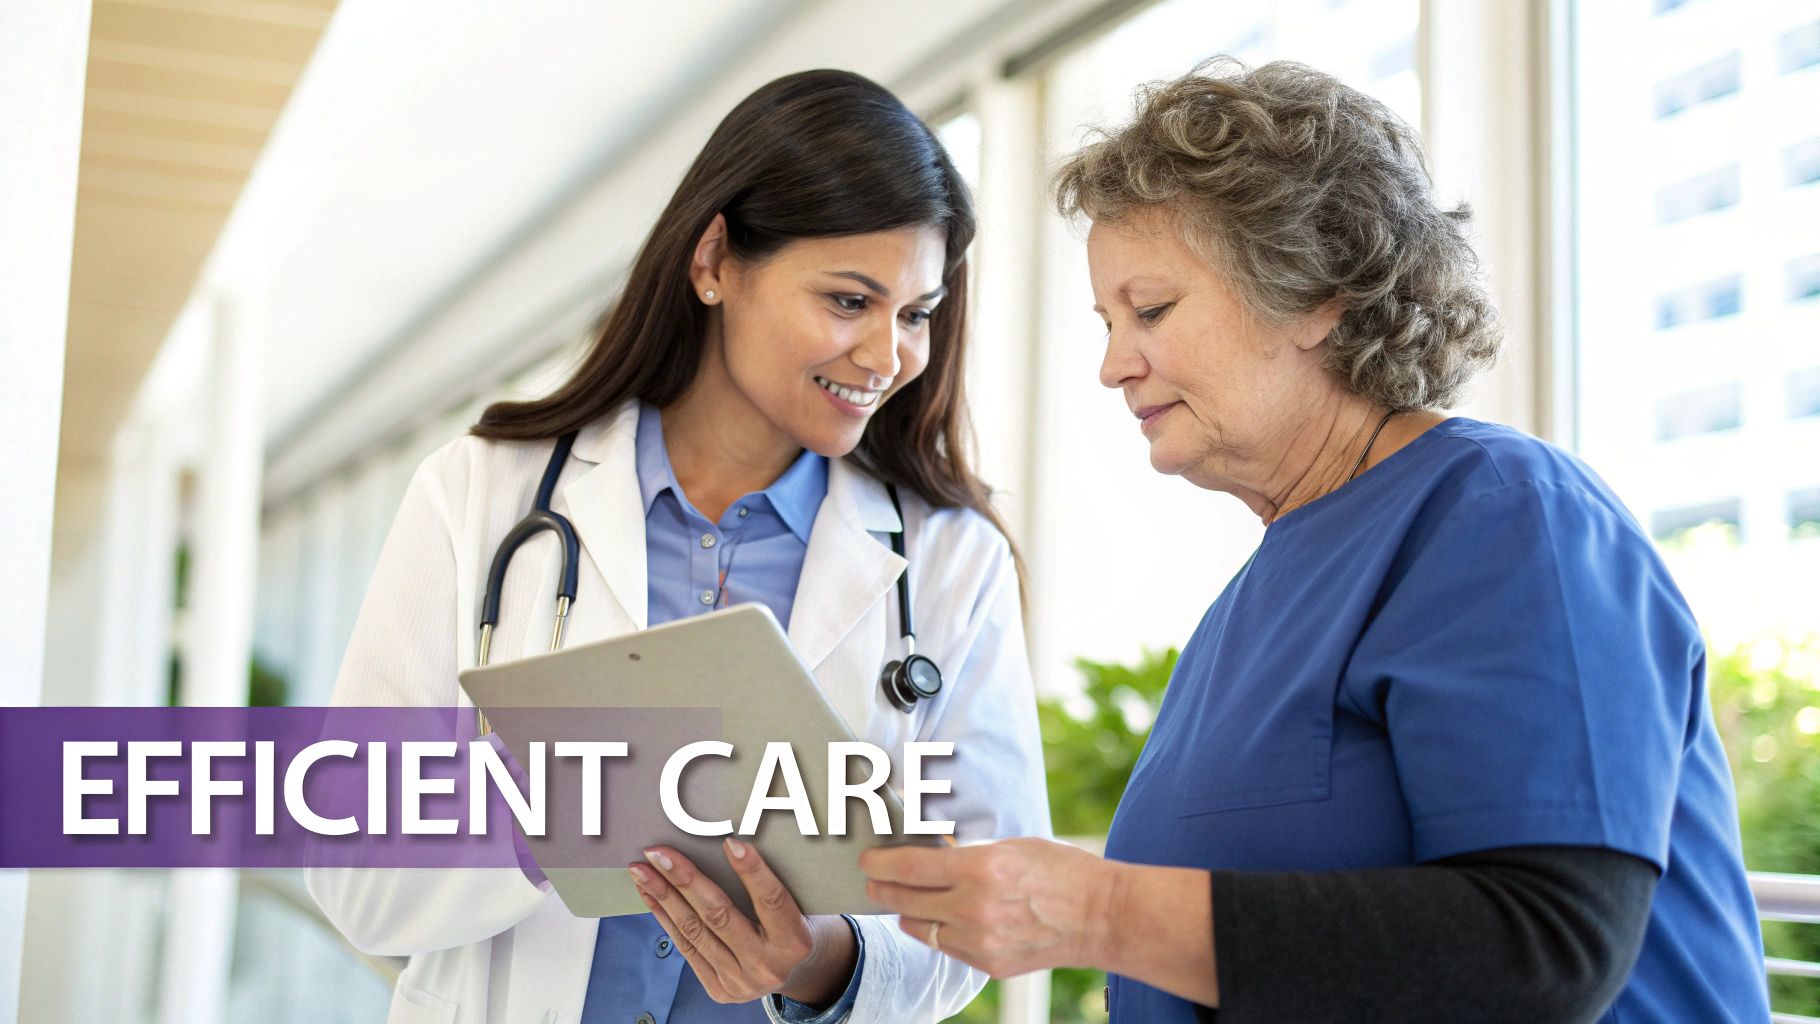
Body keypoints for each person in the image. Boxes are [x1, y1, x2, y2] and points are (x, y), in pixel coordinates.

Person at [861, 58, 1770, 1022]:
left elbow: (1547, 947)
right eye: (1108, 320)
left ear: (1316, 291)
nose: (1113, 365)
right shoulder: (1251, 601)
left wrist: (1100, 910)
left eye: (1153, 310)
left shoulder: (1508, 515)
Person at [307, 69, 1050, 1024]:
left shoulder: (949, 561)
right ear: (714, 261)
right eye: (847, 300)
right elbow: (358, 873)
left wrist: (820, 959)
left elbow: (984, 908)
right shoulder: (481, 497)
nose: (887, 356)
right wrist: (574, 804)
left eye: (914, 314)